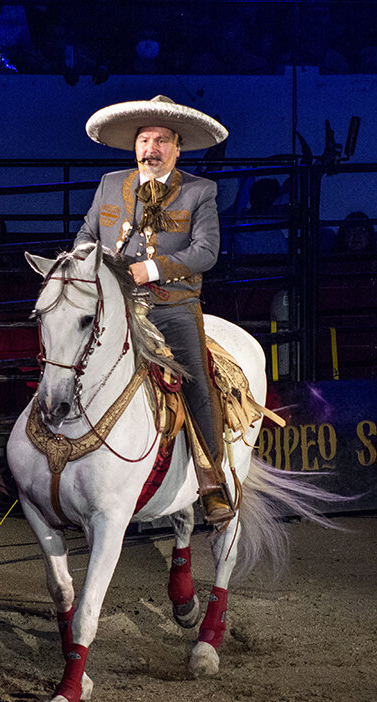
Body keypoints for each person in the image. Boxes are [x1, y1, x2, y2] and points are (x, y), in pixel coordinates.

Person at [74, 94, 234, 525]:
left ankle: (211, 480)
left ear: (177, 148)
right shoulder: (111, 183)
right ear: (135, 146)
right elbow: (87, 233)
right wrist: (85, 264)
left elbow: (207, 252)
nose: (152, 148)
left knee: (196, 379)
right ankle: (51, 455)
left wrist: (152, 269)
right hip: (113, 301)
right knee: (65, 351)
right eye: (145, 139)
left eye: (162, 140)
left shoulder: (200, 190)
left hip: (171, 305)